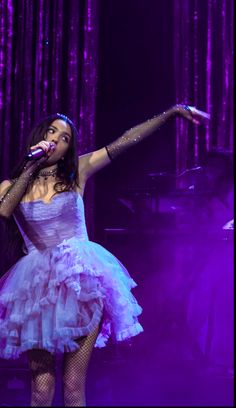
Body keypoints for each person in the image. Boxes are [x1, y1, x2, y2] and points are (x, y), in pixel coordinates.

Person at [0, 104, 210, 407]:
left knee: (73, 386)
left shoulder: (77, 173)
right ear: (39, 136)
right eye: (52, 132)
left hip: (81, 280)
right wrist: (31, 166)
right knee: (41, 390)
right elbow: (5, 210)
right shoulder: (9, 186)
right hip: (36, 289)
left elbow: (125, 141)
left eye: (65, 138)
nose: (57, 140)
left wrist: (170, 113)